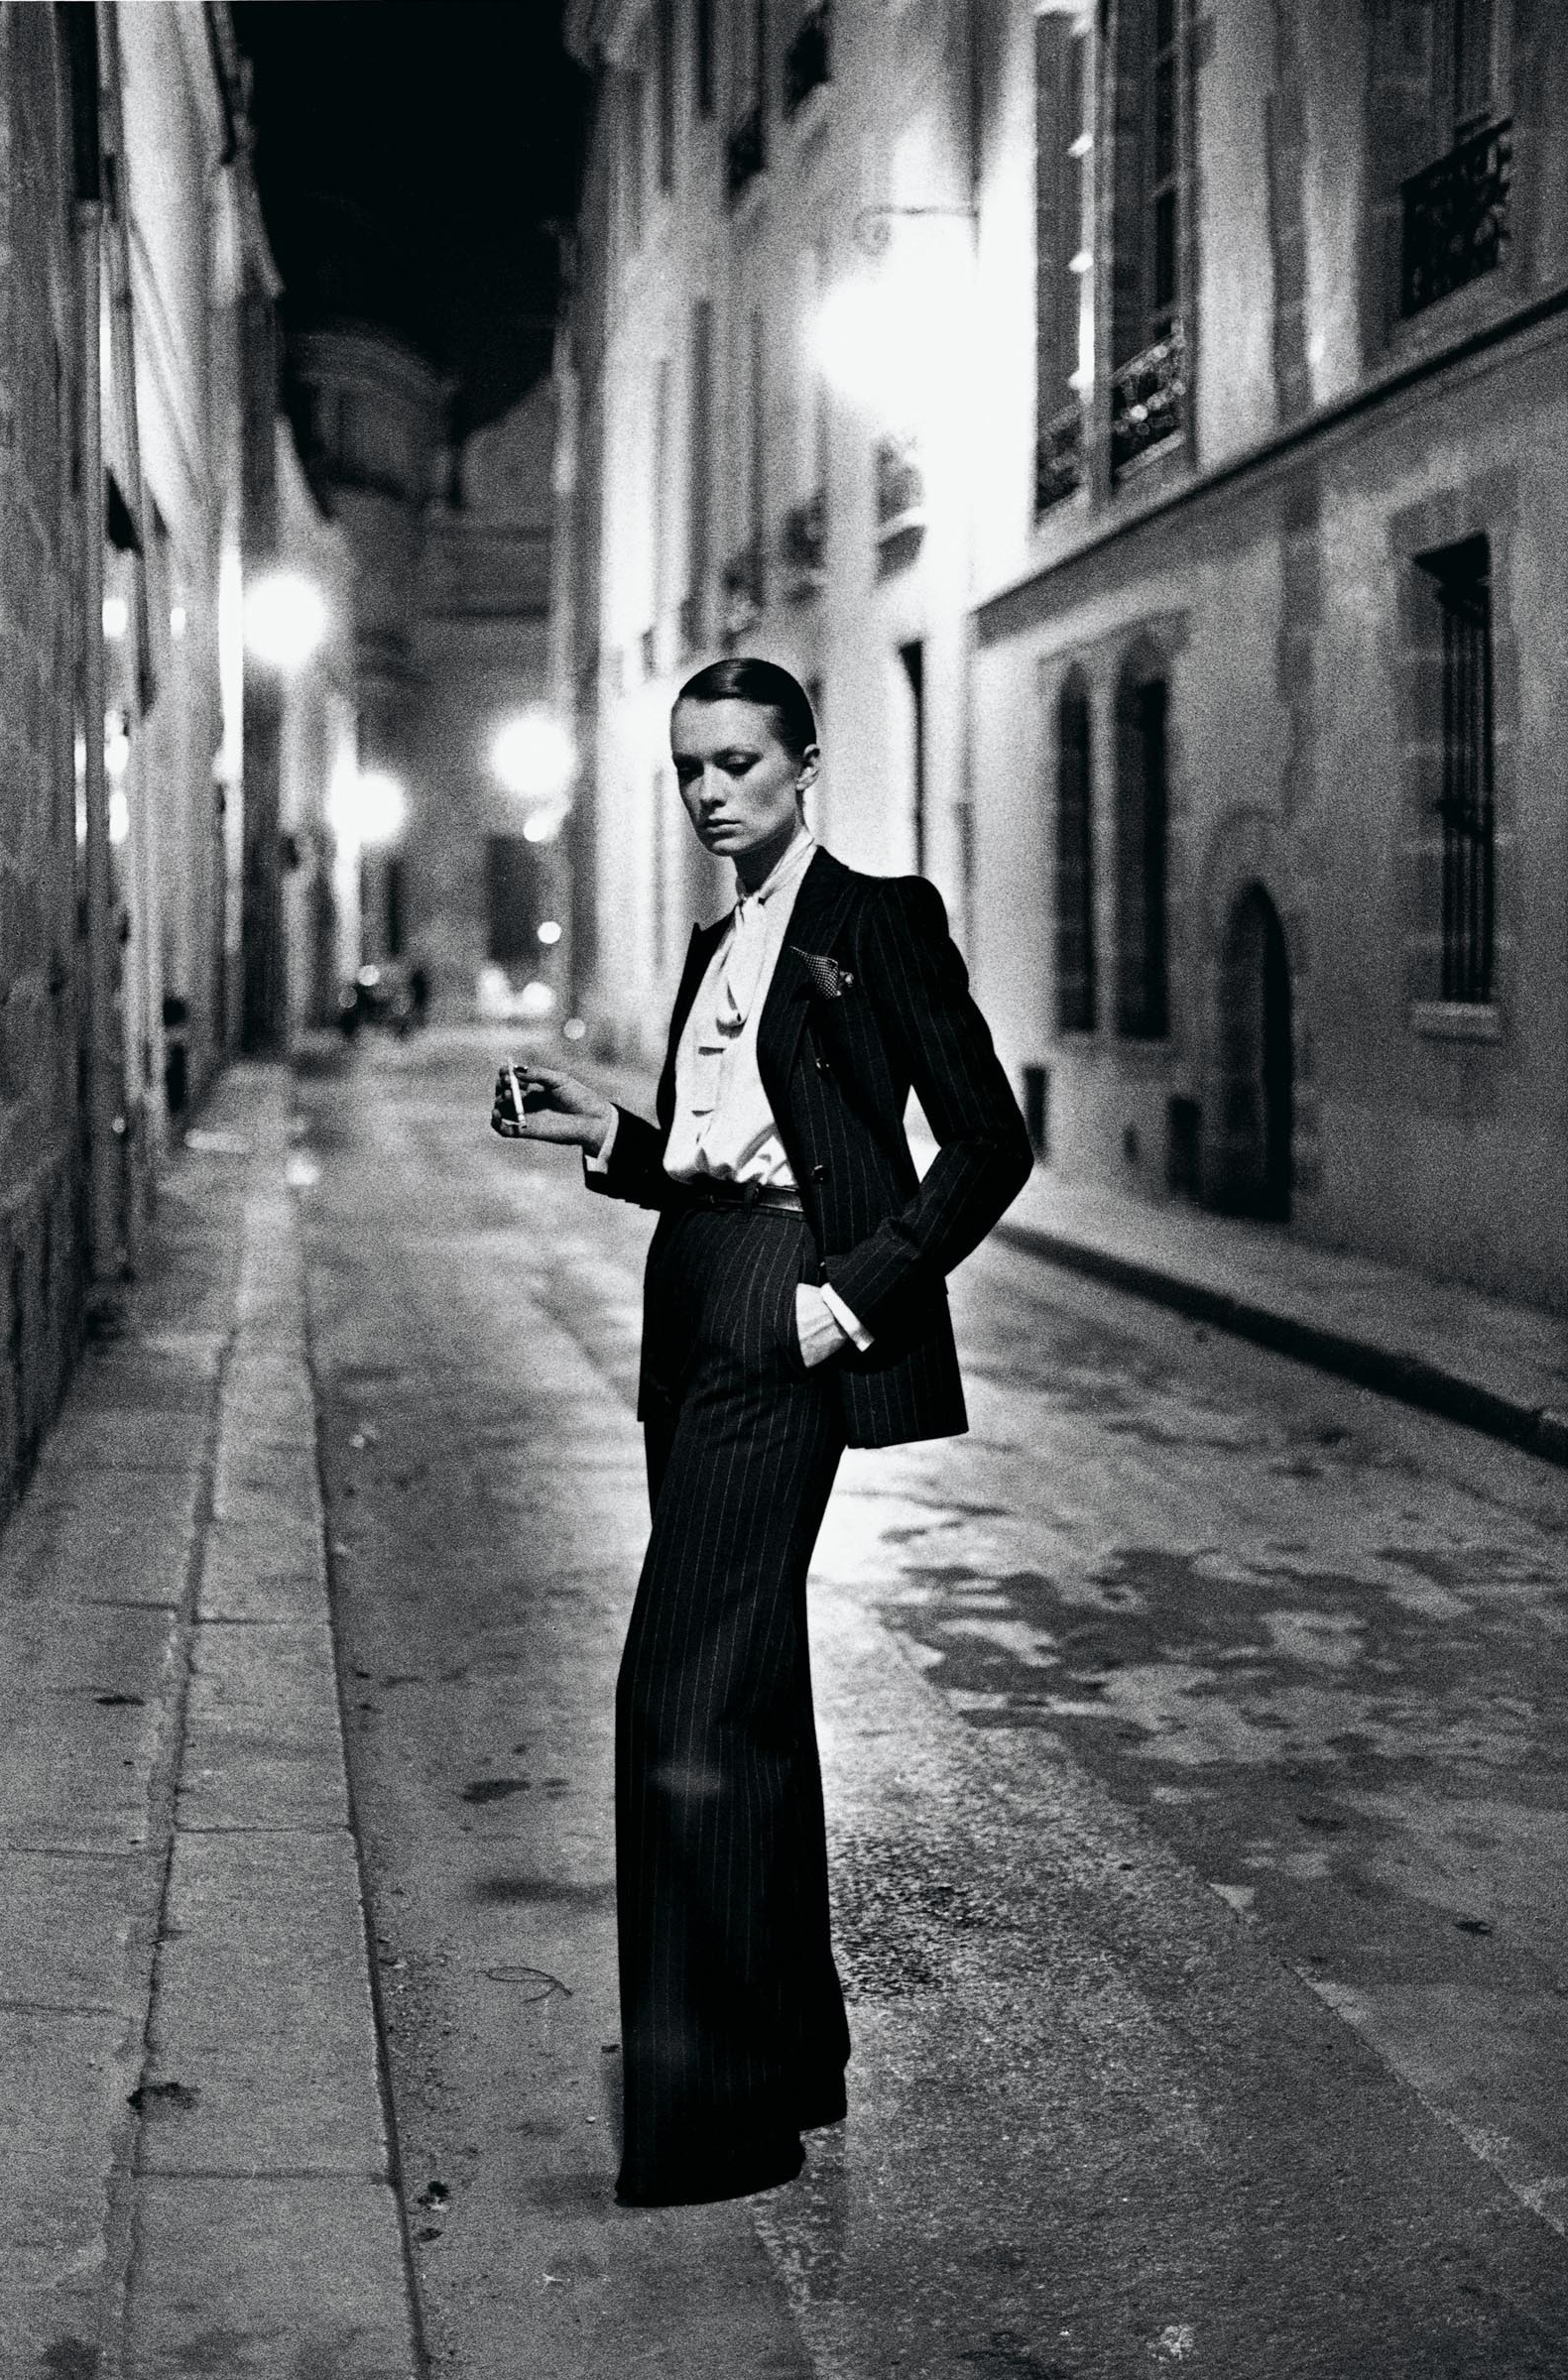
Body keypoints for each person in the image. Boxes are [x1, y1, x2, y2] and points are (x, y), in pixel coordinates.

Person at [491, 656, 1031, 2207]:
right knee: (749, 1692)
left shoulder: (876, 922)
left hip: (786, 1310)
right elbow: (710, 1156)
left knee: (678, 1696)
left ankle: (718, 2114)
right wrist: (608, 1133)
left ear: (804, 763)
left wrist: (851, 1299)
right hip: (693, 1301)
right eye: (690, 769)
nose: (711, 792)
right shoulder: (718, 940)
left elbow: (988, 1144)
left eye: (737, 762)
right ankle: (788, 2050)